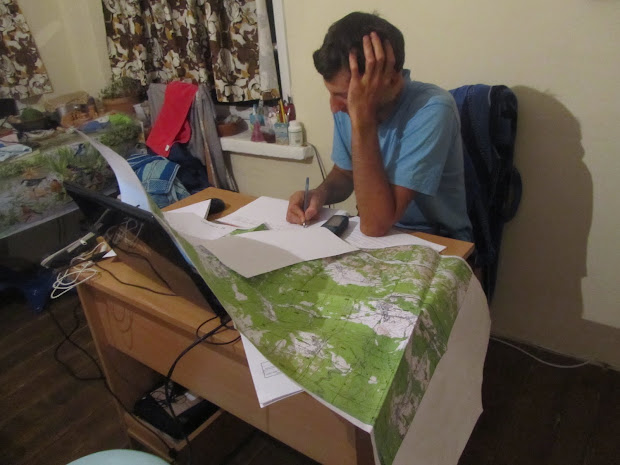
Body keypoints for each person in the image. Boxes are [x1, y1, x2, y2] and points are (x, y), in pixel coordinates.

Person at [286, 12, 472, 241]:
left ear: (391, 80)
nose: (334, 107)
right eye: (332, 94)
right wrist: (320, 194)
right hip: (378, 237)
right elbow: (345, 173)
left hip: (438, 239)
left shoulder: (432, 109)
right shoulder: (349, 107)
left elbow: (375, 225)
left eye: (344, 96)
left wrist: (362, 118)